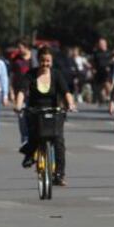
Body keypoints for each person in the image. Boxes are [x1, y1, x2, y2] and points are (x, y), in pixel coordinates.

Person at [16, 46, 75, 185]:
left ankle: (59, 174)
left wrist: (70, 104)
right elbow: (22, 91)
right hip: (35, 111)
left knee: (59, 142)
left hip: (54, 112)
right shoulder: (31, 74)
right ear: (38, 60)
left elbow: (66, 92)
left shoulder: (57, 75)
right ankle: (30, 154)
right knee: (34, 135)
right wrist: (18, 105)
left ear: (52, 61)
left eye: (48, 61)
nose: (45, 64)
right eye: (43, 61)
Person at [91, 38, 114, 105]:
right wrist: (93, 69)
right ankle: (105, 99)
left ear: (106, 44)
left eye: (103, 43)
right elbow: (93, 62)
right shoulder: (96, 53)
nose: (102, 45)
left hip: (107, 72)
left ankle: (112, 98)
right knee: (100, 89)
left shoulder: (110, 53)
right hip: (99, 72)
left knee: (107, 84)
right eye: (100, 44)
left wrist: (110, 66)